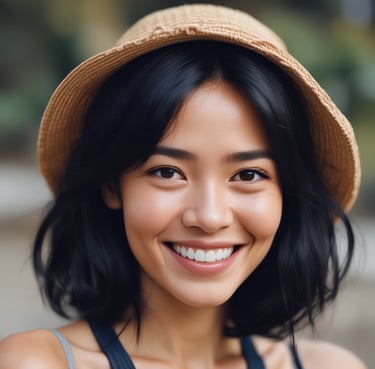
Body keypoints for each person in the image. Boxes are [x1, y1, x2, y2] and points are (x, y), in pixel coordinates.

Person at [0, 4, 367, 369]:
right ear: (112, 185)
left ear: (287, 193)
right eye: (167, 172)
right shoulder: (38, 362)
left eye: (249, 175)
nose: (209, 216)